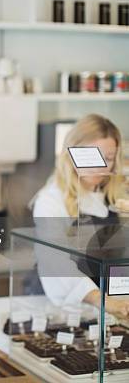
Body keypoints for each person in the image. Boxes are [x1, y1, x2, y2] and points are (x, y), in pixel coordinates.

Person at [32, 113, 129, 319]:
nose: (101, 166)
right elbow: (55, 261)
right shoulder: (51, 200)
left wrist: (120, 298)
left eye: (109, 158)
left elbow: (120, 259)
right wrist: (101, 299)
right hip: (62, 312)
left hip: (110, 312)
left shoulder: (116, 198)